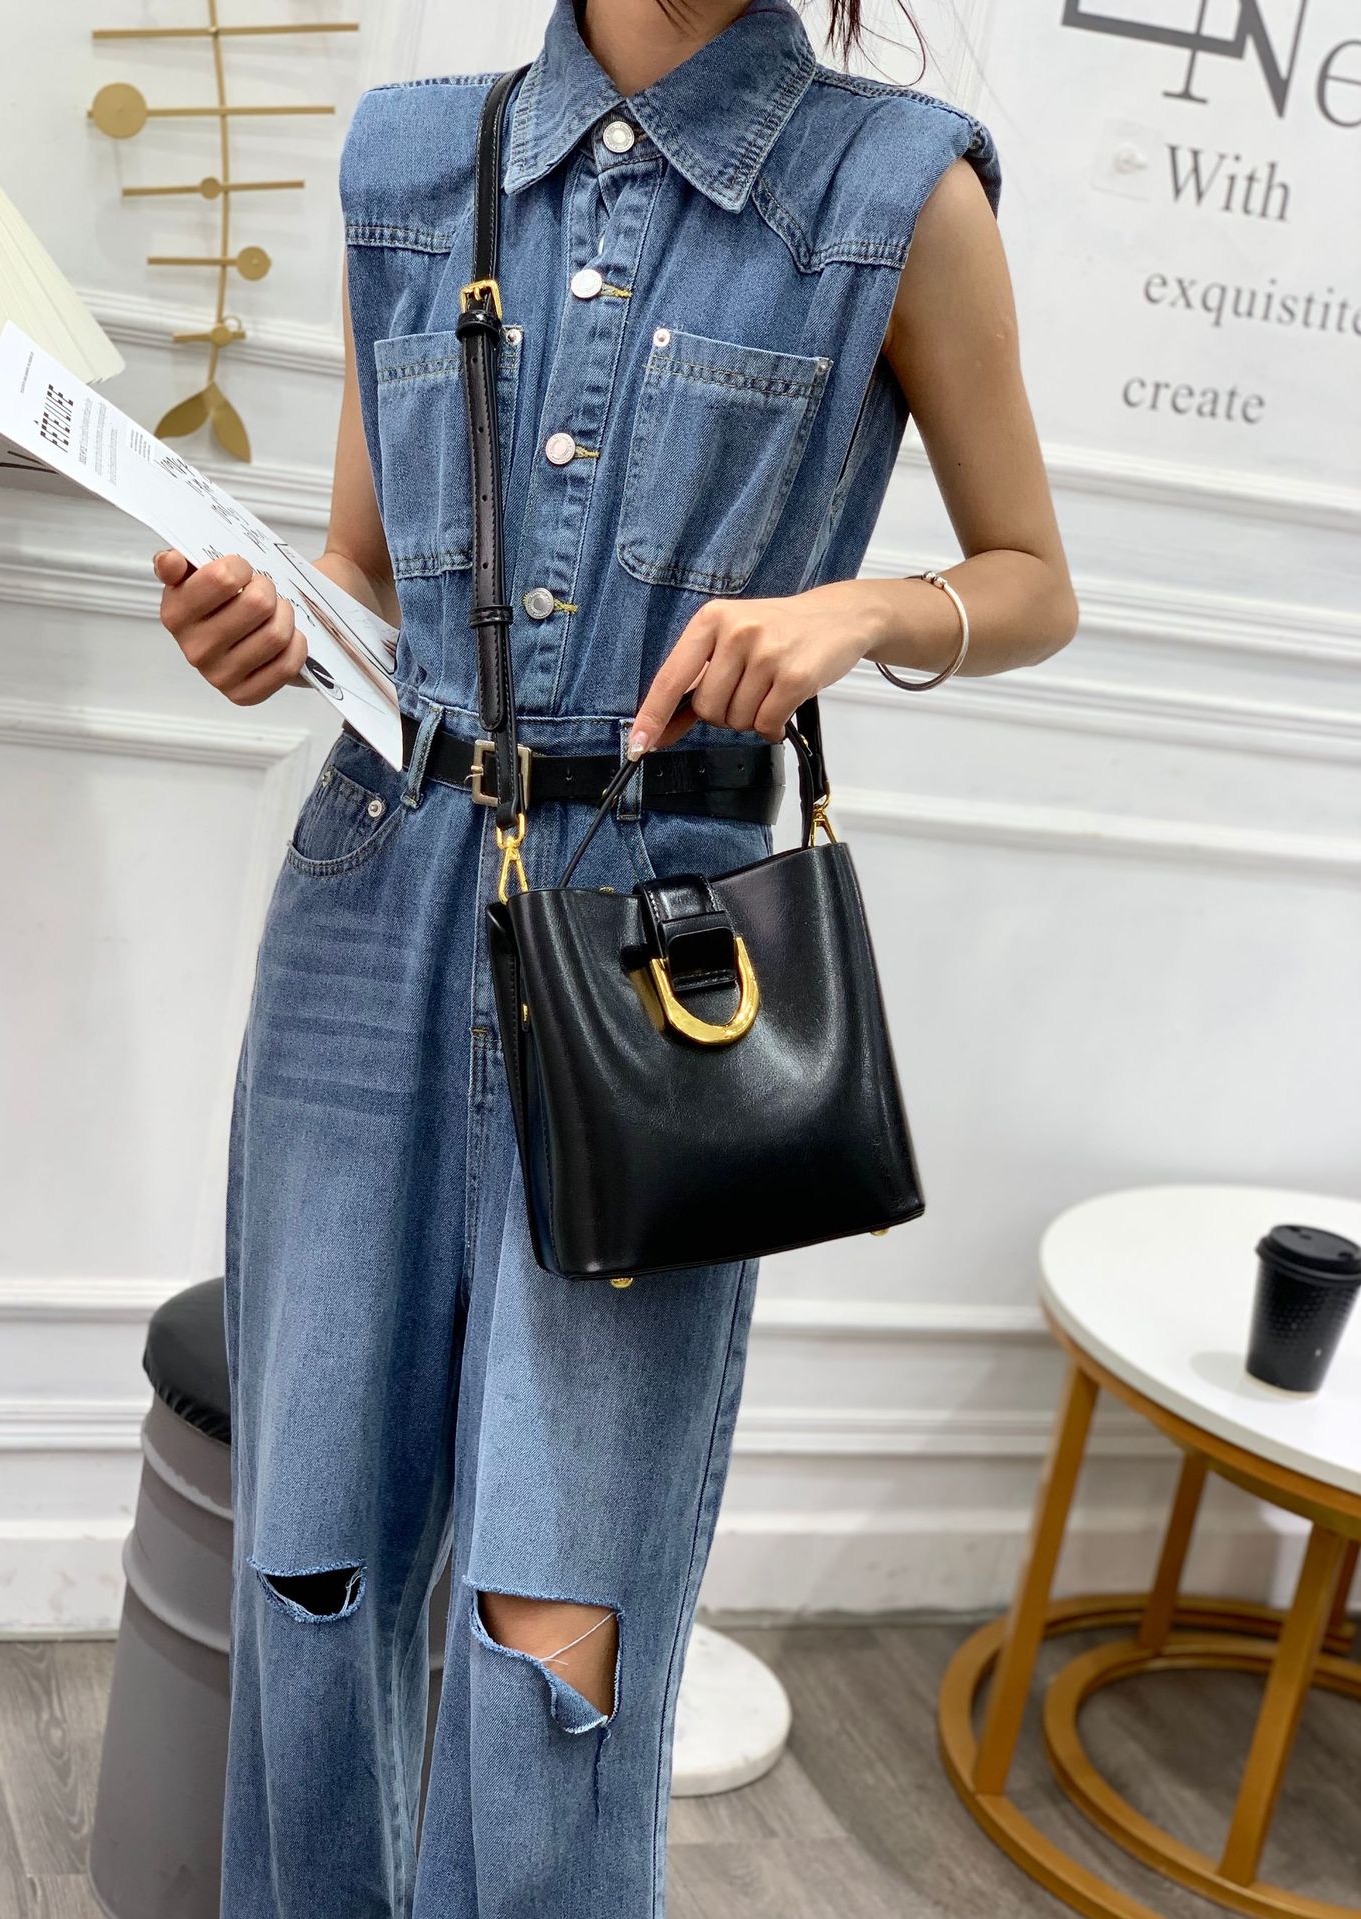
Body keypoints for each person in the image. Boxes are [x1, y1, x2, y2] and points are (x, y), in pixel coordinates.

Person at [151, 0, 1078, 1912]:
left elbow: (1030, 579)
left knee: (552, 1632)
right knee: (312, 1567)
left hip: (665, 944)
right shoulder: (415, 157)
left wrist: (856, 611)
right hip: (374, 895)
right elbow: (372, 573)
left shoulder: (898, 188)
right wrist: (270, 625)